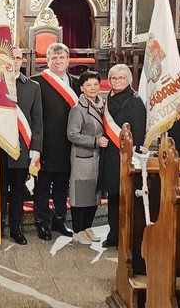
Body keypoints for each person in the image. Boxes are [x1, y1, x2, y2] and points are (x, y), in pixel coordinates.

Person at [0, 48, 43, 246]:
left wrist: (35, 149)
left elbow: (38, 121)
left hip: (22, 148)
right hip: (0, 147)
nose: (14, 61)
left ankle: (16, 229)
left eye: (18, 57)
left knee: (18, 192)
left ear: (23, 61)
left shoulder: (33, 87)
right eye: (10, 57)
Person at [31, 43, 80, 240]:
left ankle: (60, 220)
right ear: (47, 61)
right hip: (46, 143)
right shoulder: (37, 82)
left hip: (69, 144)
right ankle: (42, 222)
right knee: (42, 187)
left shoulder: (77, 83)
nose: (58, 61)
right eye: (54, 58)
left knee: (62, 186)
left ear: (68, 60)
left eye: (62, 58)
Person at [98, 64, 146, 248]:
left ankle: (126, 235)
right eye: (113, 78)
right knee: (113, 195)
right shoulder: (109, 97)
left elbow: (139, 131)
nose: (117, 81)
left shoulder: (135, 100)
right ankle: (113, 234)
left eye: (121, 78)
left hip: (126, 155)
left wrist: (134, 155)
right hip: (110, 154)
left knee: (125, 196)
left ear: (128, 80)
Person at [67, 71, 107, 245]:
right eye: (88, 85)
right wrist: (96, 141)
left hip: (98, 158)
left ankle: (88, 228)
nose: (93, 88)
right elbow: (72, 134)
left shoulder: (103, 105)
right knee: (81, 195)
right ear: (82, 87)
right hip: (83, 157)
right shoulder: (78, 109)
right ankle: (78, 230)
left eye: (95, 84)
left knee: (94, 195)